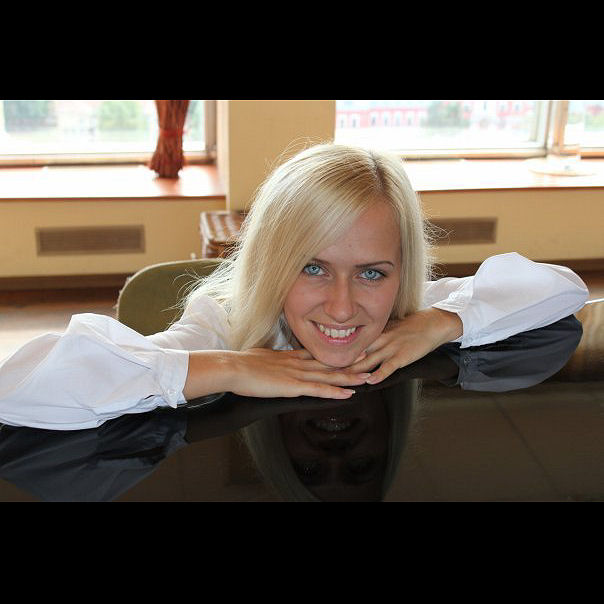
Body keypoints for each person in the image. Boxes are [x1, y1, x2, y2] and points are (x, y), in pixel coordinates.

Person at [0, 143, 590, 430]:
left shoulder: (409, 313)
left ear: (401, 271)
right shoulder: (221, 323)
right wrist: (229, 366)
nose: (343, 306)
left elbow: (562, 290)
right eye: (311, 267)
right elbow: (18, 390)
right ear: (270, 264)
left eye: (372, 273)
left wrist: (442, 321)